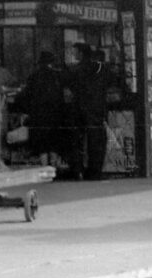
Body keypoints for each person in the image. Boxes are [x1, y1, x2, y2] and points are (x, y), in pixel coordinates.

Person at [66, 44, 116, 180]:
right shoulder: (103, 69)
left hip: (79, 108)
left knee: (77, 140)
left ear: (81, 54)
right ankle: (95, 171)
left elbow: (69, 89)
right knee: (97, 140)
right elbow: (113, 83)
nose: (74, 55)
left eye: (75, 52)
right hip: (97, 107)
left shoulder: (74, 70)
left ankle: (78, 170)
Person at [11, 51, 67, 167]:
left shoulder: (34, 76)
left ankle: (45, 166)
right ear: (52, 62)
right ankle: (54, 166)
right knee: (54, 140)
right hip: (55, 113)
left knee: (41, 142)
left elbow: (25, 96)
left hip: (39, 114)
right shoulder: (58, 76)